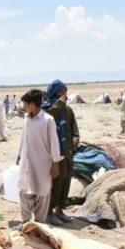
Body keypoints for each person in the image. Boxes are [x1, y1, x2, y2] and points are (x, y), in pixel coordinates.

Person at [16, 89, 63, 224]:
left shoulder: (48, 120)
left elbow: (54, 143)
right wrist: (19, 155)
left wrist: (56, 164)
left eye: (25, 104)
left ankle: (40, 223)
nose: (23, 107)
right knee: (24, 190)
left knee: (42, 192)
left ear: (32, 104)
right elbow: (23, 138)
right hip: (27, 162)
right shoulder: (26, 119)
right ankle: (25, 222)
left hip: (42, 163)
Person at [42, 80, 80, 226]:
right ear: (53, 92)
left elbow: (75, 130)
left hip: (67, 152)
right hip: (53, 154)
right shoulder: (47, 108)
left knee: (65, 181)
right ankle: (48, 212)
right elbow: (48, 118)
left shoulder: (68, 110)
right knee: (55, 183)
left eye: (65, 91)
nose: (64, 95)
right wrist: (58, 104)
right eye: (60, 92)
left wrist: (73, 146)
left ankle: (60, 209)